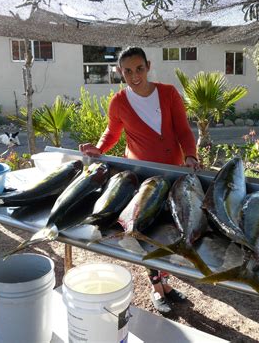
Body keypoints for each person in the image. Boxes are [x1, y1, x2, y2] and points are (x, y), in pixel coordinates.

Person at [79, 46, 199, 314]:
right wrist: (99, 148)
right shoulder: (119, 102)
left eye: (139, 69)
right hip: (143, 176)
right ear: (120, 72)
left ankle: (166, 283)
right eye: (128, 71)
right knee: (145, 230)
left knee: (167, 229)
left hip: (172, 173)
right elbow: (112, 132)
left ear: (149, 65)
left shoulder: (168, 93)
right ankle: (157, 288)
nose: (134, 76)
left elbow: (182, 130)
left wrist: (190, 155)